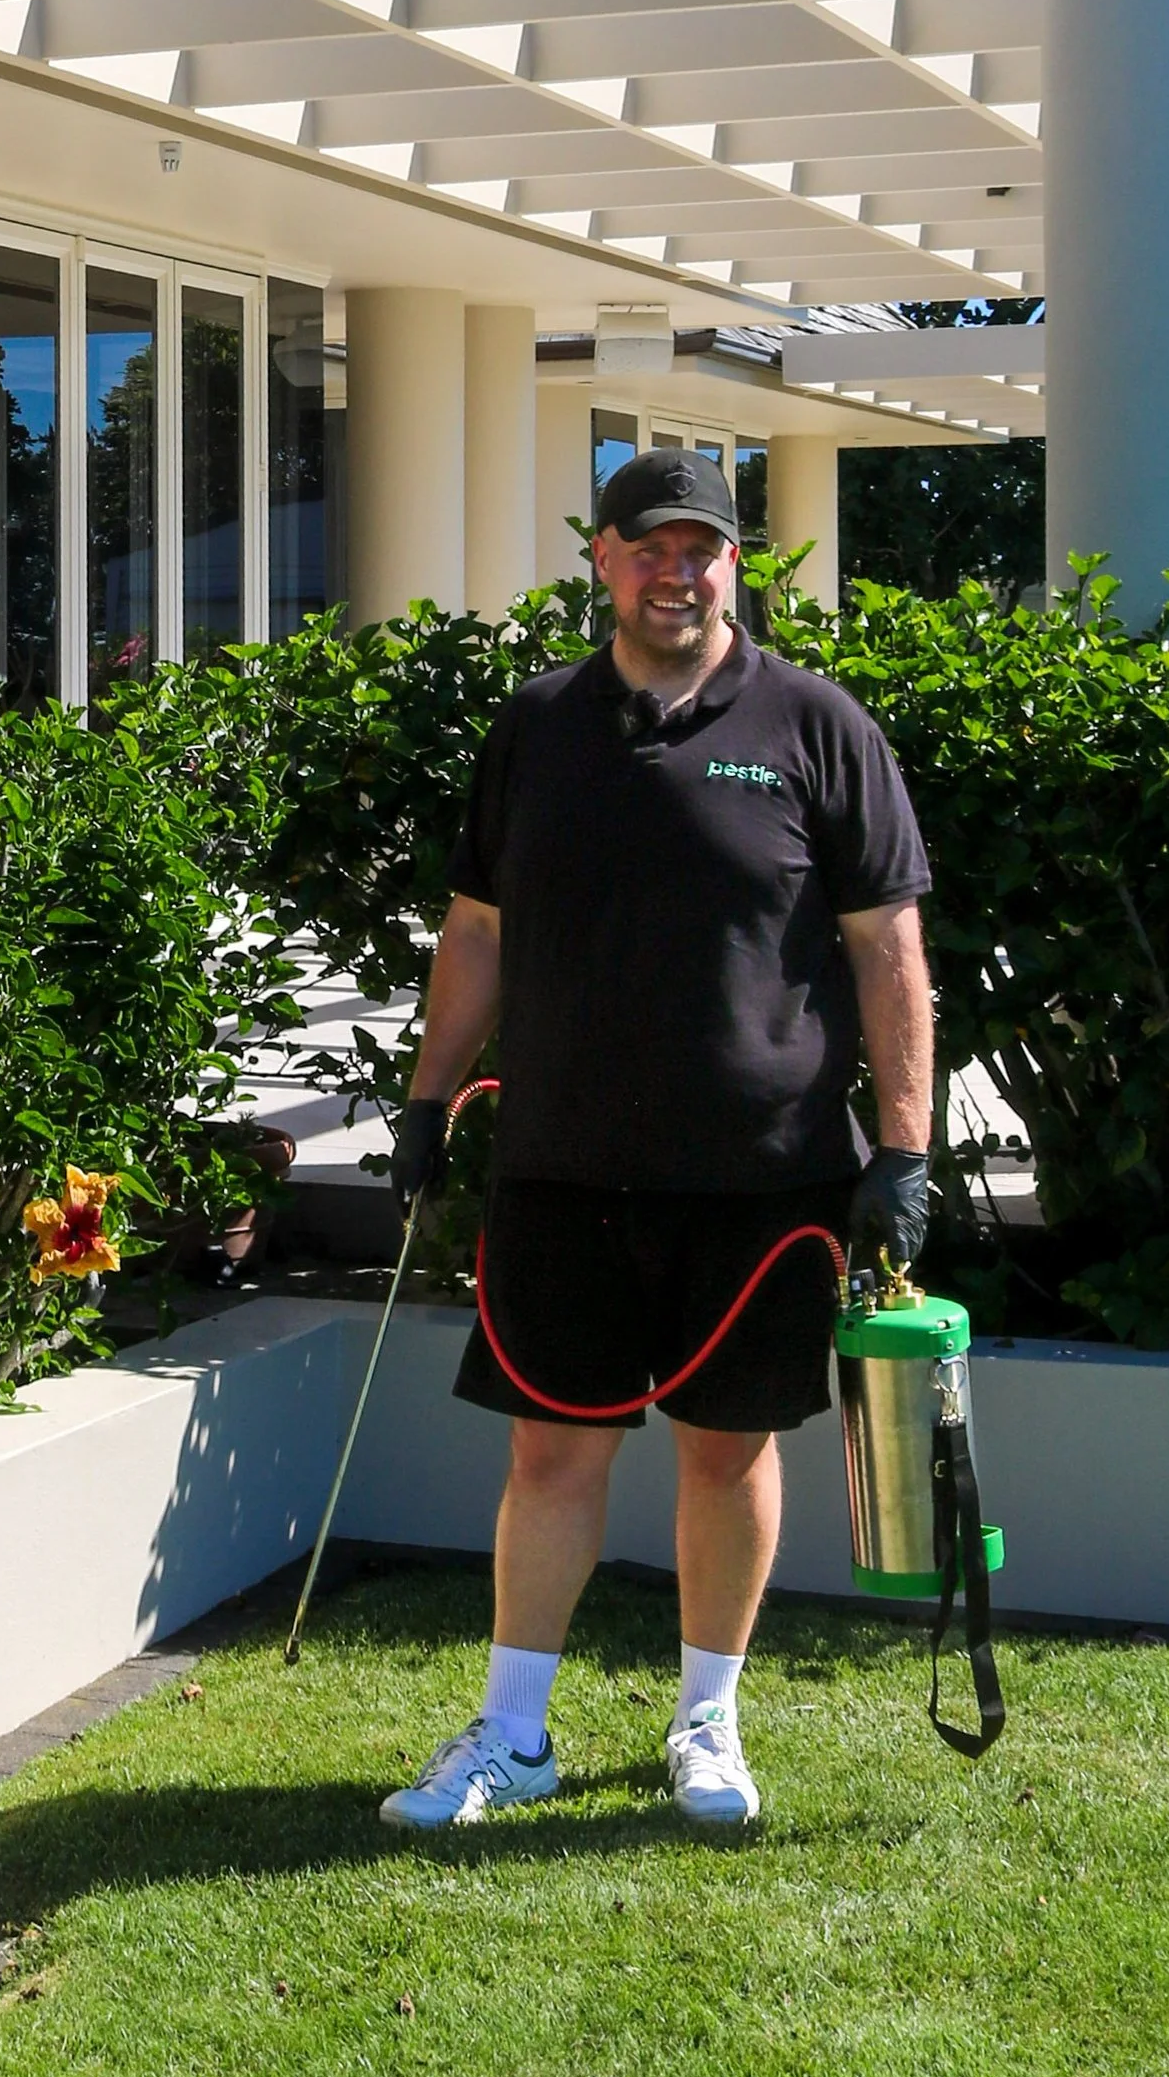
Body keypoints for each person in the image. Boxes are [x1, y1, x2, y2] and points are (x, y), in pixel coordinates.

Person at [378, 446, 934, 1838]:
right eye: (649, 547)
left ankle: (707, 1719)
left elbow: (888, 945)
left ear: (735, 562)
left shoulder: (817, 725)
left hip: (763, 1173)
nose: (675, 573)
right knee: (551, 1455)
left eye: (701, 549)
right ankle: (514, 1735)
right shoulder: (538, 726)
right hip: (561, 1163)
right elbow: (478, 929)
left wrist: (905, 1149)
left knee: (725, 1453)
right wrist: (430, 1098)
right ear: (603, 560)